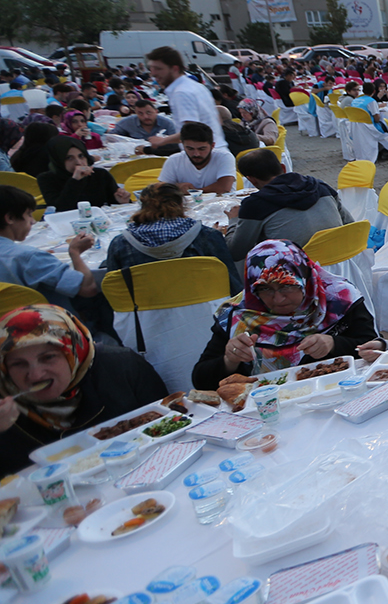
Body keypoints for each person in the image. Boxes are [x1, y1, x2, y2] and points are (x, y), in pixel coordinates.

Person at [0, 304, 167, 476]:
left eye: (48, 357)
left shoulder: (122, 367)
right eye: (18, 364)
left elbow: (172, 423)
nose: (35, 375)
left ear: (73, 351)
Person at [191, 239, 376, 389]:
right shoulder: (239, 316)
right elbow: (200, 380)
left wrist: (333, 344)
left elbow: (373, 347)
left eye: (287, 286)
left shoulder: (339, 300)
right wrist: (229, 360)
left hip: (337, 392)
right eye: (265, 289)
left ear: (304, 278)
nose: (278, 299)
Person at [103, 182, 240, 294]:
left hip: (144, 317)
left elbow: (114, 290)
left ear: (142, 207)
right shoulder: (207, 236)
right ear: (181, 205)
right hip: (206, 312)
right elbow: (233, 285)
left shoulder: (121, 243)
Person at [225, 149, 353, 261]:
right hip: (341, 259)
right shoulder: (320, 186)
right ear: (283, 167)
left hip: (294, 270)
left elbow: (237, 252)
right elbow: (349, 223)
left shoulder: (255, 205)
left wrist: (234, 220)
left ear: (251, 179)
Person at [0, 185, 99, 310]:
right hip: (44, 324)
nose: (33, 221)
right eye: (29, 214)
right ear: (10, 218)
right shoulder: (28, 257)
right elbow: (88, 288)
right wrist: (75, 252)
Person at [145, 46, 226, 150]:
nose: (153, 73)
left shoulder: (181, 92)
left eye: (158, 68)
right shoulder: (195, 86)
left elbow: (192, 131)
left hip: (205, 155)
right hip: (213, 150)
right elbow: (218, 120)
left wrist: (162, 140)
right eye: (151, 68)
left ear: (175, 69)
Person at [37, 136, 130, 212]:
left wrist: (122, 202)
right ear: (58, 161)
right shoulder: (47, 179)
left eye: (81, 156)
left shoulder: (100, 174)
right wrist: (75, 181)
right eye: (69, 158)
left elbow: (113, 205)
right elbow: (59, 209)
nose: (78, 162)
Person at [157, 121, 236, 194]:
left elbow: (224, 188)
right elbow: (160, 189)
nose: (196, 154)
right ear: (183, 145)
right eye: (190, 149)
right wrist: (177, 187)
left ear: (212, 146)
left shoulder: (224, 157)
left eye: (202, 149)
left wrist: (193, 192)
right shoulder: (173, 160)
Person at [110, 98, 180, 155]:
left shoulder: (167, 123)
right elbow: (110, 138)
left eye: (149, 112)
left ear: (156, 111)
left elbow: (177, 144)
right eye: (140, 113)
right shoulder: (127, 122)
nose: (145, 116)